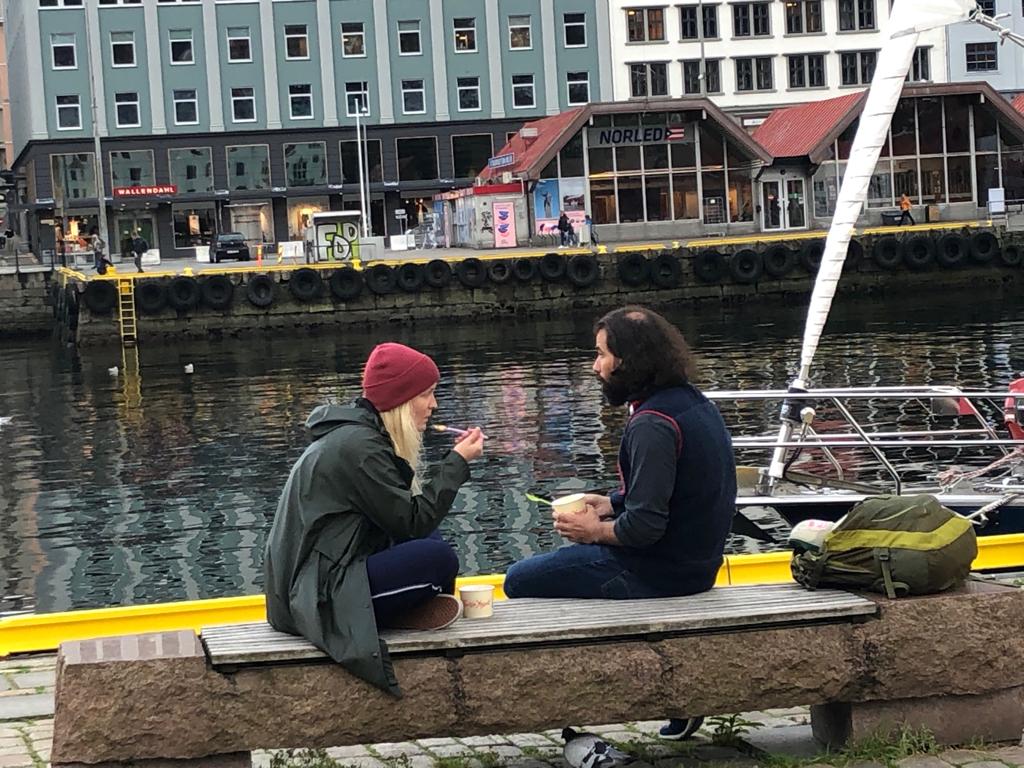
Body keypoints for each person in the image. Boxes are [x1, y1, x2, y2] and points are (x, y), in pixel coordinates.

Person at [503, 306, 736, 740]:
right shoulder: (691, 403)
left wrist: (592, 532)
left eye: (601, 355)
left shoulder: (651, 424)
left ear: (628, 362)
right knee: (562, 570)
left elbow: (645, 529)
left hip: (663, 571)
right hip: (698, 563)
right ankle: (673, 689)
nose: (595, 367)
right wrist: (609, 502)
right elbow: (673, 494)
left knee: (519, 580)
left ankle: (579, 697)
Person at [264, 342, 484, 696]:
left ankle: (410, 605)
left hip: (309, 584)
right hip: (313, 600)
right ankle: (404, 609)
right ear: (402, 398)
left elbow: (402, 520)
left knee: (432, 542)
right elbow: (411, 520)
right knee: (439, 559)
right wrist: (456, 463)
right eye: (427, 394)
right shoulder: (361, 448)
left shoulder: (357, 437)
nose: (434, 405)